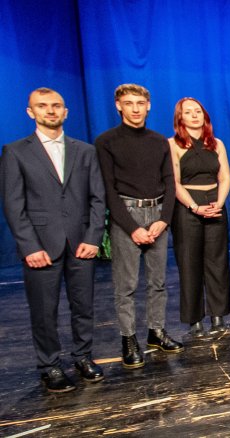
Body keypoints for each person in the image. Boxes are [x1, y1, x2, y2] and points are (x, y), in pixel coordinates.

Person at [1, 88, 106, 392]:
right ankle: (49, 365)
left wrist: (93, 237)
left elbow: (98, 198)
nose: (50, 110)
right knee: (44, 310)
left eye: (56, 105)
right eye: (42, 106)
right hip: (41, 245)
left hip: (81, 242)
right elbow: (13, 204)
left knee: (83, 306)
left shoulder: (84, 150)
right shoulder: (16, 151)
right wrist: (29, 246)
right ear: (30, 112)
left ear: (66, 112)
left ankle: (83, 356)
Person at [95, 84, 183, 369]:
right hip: (126, 215)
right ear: (118, 106)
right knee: (127, 284)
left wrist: (163, 219)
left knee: (158, 282)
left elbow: (170, 182)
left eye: (140, 103)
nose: (135, 108)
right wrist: (132, 227)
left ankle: (156, 332)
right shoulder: (106, 141)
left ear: (149, 106)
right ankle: (128, 338)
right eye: (129, 103)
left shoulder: (159, 141)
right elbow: (108, 189)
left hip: (157, 213)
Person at [168, 98, 230, 337]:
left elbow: (225, 177)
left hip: (215, 204)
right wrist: (195, 206)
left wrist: (219, 203)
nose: (194, 115)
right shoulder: (173, 145)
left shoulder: (216, 144)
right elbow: (173, 182)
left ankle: (218, 314)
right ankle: (194, 318)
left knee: (217, 262)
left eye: (198, 111)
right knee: (189, 262)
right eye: (188, 112)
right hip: (187, 207)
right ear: (180, 117)